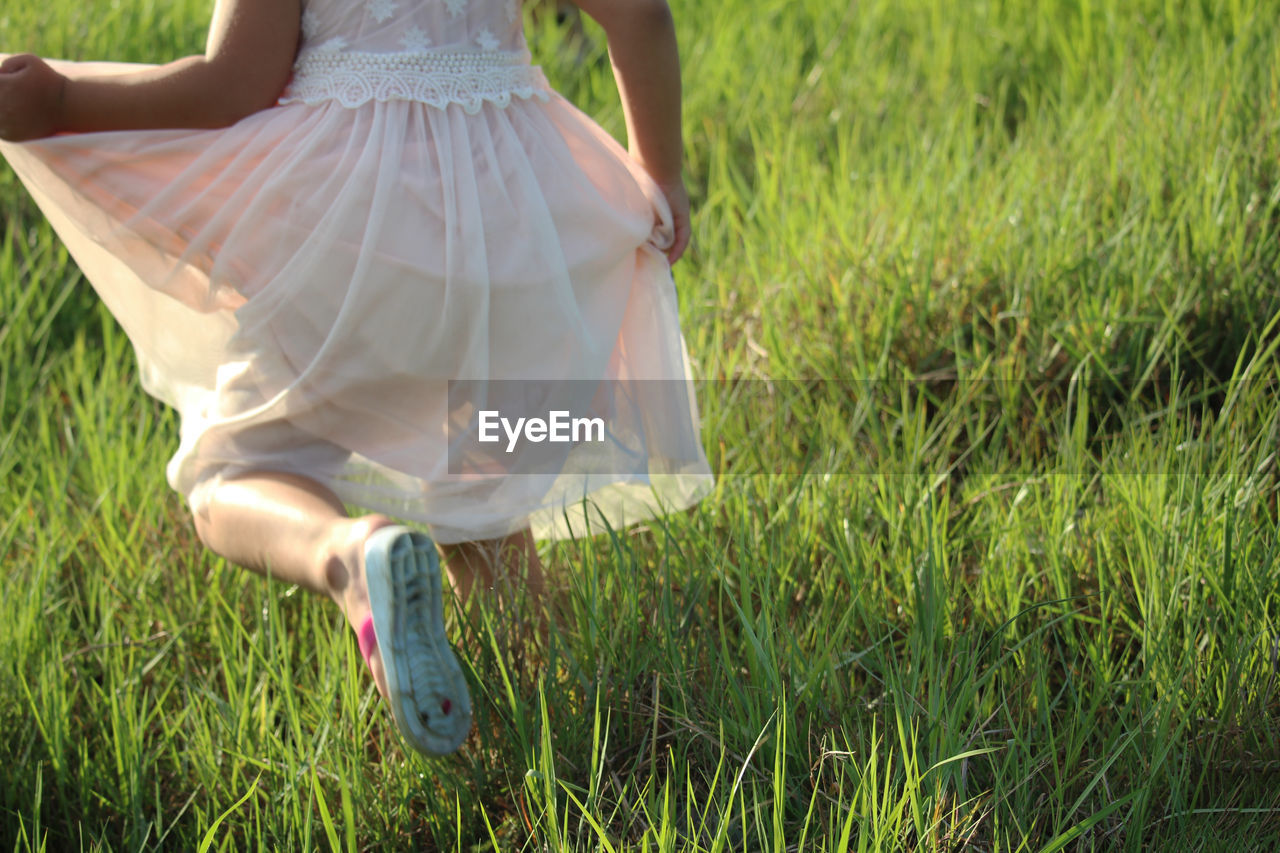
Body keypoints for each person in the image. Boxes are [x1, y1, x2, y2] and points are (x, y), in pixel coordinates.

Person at [0, 0, 712, 757]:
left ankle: (349, 554)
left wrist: (62, 101)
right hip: (511, 212)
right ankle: (552, 745)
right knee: (485, 498)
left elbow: (230, 88)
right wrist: (658, 172)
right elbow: (638, 13)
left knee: (233, 473)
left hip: (346, 220)